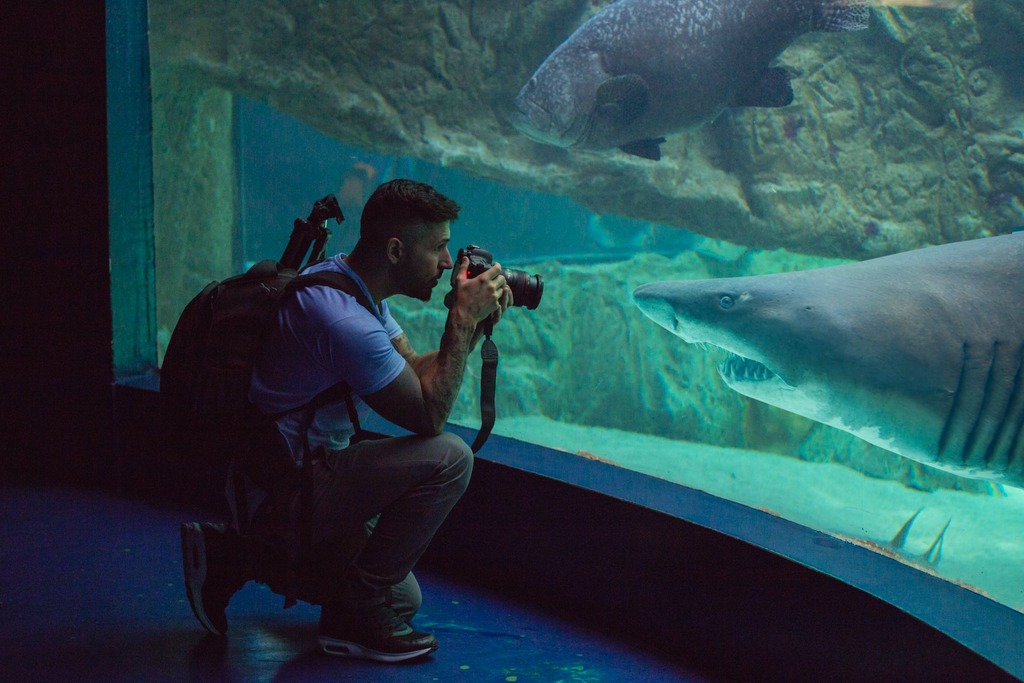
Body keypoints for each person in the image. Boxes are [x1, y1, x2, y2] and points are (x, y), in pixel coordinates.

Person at [179, 179, 512, 662]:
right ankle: (349, 615)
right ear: (395, 250)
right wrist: (460, 321)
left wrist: (473, 327)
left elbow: (415, 371)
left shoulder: (354, 288)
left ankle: (231, 556)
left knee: (402, 599)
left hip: (283, 478)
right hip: (282, 487)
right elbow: (428, 415)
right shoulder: (340, 319)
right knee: (451, 458)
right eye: (438, 248)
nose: (447, 263)